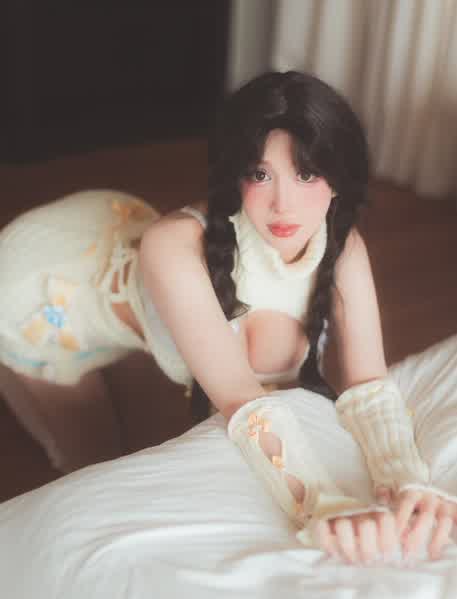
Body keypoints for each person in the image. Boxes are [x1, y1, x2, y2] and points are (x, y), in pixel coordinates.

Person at [0, 71, 455, 566]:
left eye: (306, 174)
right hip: (38, 294)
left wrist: (407, 483)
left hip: (114, 247)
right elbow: (243, 399)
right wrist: (323, 505)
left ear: (339, 178)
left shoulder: (343, 246)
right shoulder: (174, 246)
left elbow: (368, 382)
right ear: (235, 174)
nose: (283, 204)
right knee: (87, 462)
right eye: (260, 174)